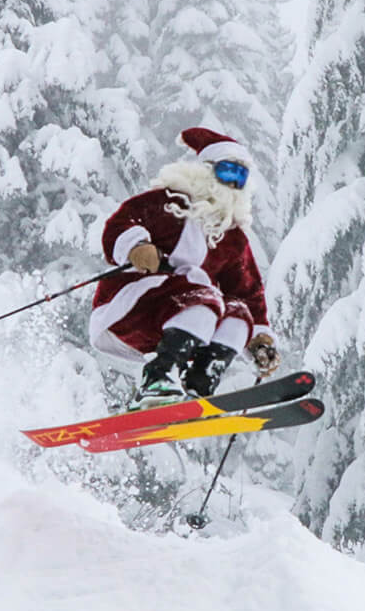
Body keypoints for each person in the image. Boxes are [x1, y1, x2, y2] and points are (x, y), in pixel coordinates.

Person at [91, 127, 278, 404]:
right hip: (135, 309)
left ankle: (200, 382)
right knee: (205, 299)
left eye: (241, 177)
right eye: (228, 172)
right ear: (206, 170)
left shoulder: (232, 238)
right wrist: (137, 246)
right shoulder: (167, 204)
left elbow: (247, 292)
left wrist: (259, 339)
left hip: (186, 320)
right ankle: (158, 376)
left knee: (239, 313)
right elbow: (121, 224)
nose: (233, 186)